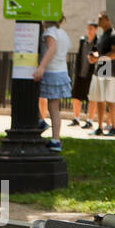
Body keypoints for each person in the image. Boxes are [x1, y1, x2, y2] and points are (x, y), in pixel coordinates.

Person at [33, 15, 72, 152]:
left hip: (50, 72)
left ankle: (40, 121)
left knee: (31, 95)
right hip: (61, 71)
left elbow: (52, 48)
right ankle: (56, 140)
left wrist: (41, 66)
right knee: (54, 108)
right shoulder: (63, 33)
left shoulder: (49, 32)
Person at [88, 12, 115, 136]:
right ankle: (100, 127)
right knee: (99, 99)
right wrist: (93, 57)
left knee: (110, 100)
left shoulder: (114, 34)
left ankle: (114, 128)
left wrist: (98, 58)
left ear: (107, 19)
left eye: (100, 18)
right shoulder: (103, 35)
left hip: (109, 69)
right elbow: (99, 51)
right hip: (101, 69)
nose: (98, 21)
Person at [66, 20, 98, 129]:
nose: (89, 31)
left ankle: (89, 120)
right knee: (76, 96)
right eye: (88, 28)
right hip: (80, 73)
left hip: (92, 74)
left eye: (91, 29)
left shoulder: (98, 42)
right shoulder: (82, 40)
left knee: (92, 98)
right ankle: (76, 118)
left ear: (95, 30)